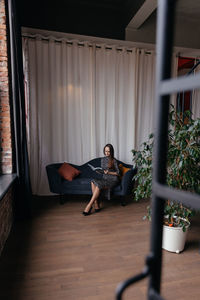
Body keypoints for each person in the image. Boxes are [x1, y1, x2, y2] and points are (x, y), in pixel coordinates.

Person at [82, 143, 120, 216]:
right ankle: (96, 203)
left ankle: (89, 205)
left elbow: (118, 173)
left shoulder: (114, 160)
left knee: (98, 185)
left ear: (111, 152)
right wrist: (99, 171)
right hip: (105, 178)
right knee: (93, 181)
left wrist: (109, 172)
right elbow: (103, 171)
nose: (107, 153)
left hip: (113, 180)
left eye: (108, 151)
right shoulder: (102, 159)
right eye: (105, 151)